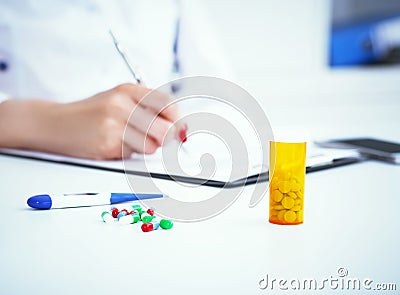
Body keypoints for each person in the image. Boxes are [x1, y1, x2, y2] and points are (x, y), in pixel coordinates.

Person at [0, 0, 230, 160]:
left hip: (147, 164)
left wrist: (175, 123)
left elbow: (214, 88)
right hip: (25, 165)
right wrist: (48, 124)